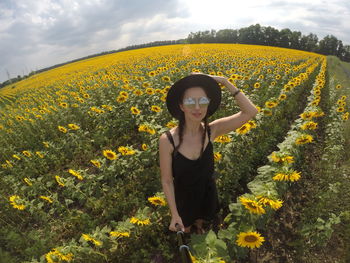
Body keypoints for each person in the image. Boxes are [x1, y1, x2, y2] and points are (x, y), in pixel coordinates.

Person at [158, 72, 258, 234]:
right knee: (186, 230)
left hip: (207, 194)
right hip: (184, 200)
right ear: (181, 106)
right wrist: (174, 214)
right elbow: (167, 181)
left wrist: (225, 82)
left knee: (203, 223)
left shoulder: (212, 130)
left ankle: (200, 228)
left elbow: (250, 111)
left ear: (208, 104)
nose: (197, 107)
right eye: (190, 101)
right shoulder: (168, 140)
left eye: (202, 101)